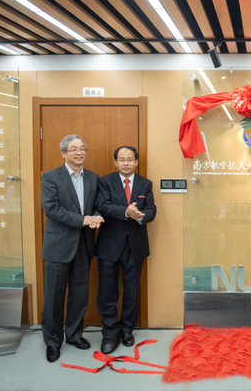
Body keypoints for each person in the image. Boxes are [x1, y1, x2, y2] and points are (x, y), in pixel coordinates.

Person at [41, 134, 103, 362]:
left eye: (82, 148)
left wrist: (97, 217)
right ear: (64, 153)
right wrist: (84, 220)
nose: (79, 152)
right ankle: (52, 341)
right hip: (58, 246)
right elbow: (52, 209)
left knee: (79, 294)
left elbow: (98, 206)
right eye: (74, 149)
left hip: (83, 245)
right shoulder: (50, 177)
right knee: (54, 296)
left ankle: (75, 335)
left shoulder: (93, 178)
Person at [95, 146, 156, 354]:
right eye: (122, 159)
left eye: (130, 159)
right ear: (115, 162)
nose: (126, 163)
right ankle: (110, 332)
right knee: (107, 291)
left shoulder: (145, 184)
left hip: (135, 245)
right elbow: (103, 206)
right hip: (109, 245)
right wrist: (126, 212)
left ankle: (127, 329)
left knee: (131, 290)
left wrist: (141, 216)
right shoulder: (105, 182)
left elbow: (151, 209)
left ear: (136, 162)